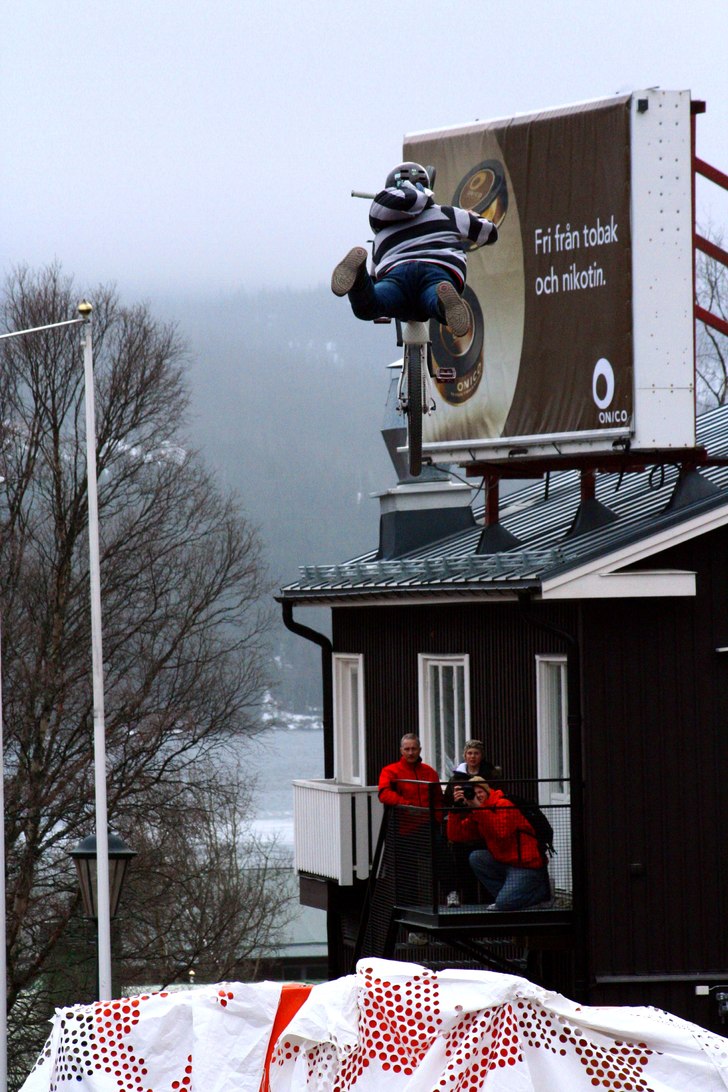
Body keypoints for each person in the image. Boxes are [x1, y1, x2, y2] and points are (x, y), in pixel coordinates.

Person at [331, 161, 498, 338]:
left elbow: (374, 278)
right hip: (438, 270)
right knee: (433, 299)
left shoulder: (382, 234)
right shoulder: (450, 214)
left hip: (396, 276)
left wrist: (366, 287)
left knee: (369, 305)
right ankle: (443, 303)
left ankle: (357, 277)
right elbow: (489, 232)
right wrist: (473, 216)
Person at [446, 777, 551, 911]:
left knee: (503, 904)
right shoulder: (479, 812)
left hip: (526, 866)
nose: (477, 796)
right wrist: (455, 809)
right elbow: (456, 836)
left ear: (487, 790)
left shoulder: (504, 804)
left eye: (480, 792)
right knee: (477, 857)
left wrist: (479, 808)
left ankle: (537, 894)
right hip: (504, 863)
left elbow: (502, 833)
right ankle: (510, 897)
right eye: (473, 793)